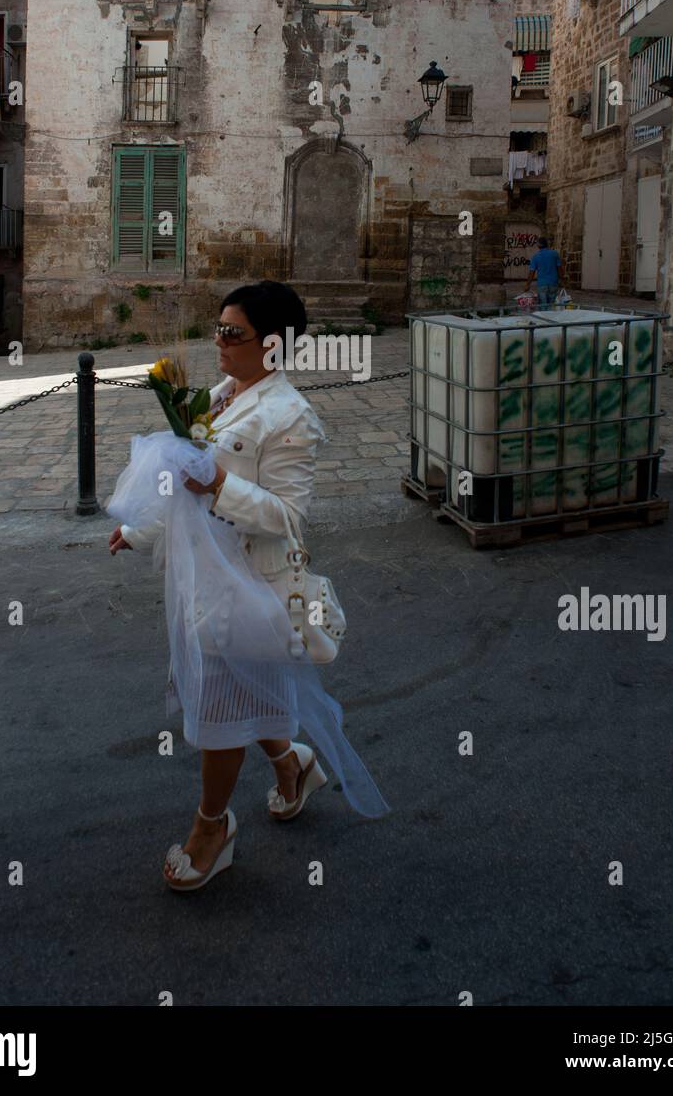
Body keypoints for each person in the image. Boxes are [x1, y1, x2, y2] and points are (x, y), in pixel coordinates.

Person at [108, 280, 388, 893]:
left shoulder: (289, 417)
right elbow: (183, 487)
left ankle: (213, 826)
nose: (219, 341)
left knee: (217, 709)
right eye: (218, 328)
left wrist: (218, 487)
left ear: (273, 344)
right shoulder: (221, 396)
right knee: (242, 691)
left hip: (247, 590)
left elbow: (289, 518)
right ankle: (293, 765)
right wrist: (139, 531)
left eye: (232, 333)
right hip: (205, 579)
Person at [526, 237, 565, 307]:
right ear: (547, 244)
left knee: (543, 306)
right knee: (552, 305)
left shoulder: (535, 257)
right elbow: (559, 268)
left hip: (542, 284)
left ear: (538, 246)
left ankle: (543, 317)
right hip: (553, 283)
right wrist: (562, 280)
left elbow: (532, 272)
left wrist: (528, 285)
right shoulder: (554, 254)